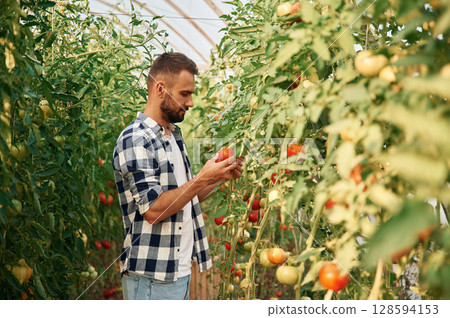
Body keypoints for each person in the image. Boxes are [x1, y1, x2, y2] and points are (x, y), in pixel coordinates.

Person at [112, 52, 244, 300]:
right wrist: (202, 178)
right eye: (185, 94)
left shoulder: (173, 135)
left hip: (178, 271)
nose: (191, 102)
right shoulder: (135, 139)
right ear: (160, 88)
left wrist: (219, 176)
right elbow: (153, 209)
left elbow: (185, 197)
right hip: (151, 277)